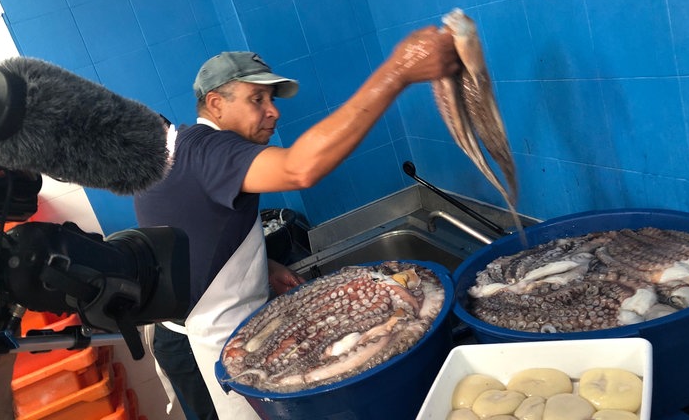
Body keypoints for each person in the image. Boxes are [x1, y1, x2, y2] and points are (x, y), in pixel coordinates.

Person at [134, 25, 460, 419]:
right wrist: (399, 72)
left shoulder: (187, 149)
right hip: (202, 345)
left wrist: (263, 266)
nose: (273, 111)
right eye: (257, 99)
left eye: (271, 99)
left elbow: (198, 229)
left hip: (186, 334)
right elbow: (298, 169)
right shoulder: (212, 150)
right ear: (216, 104)